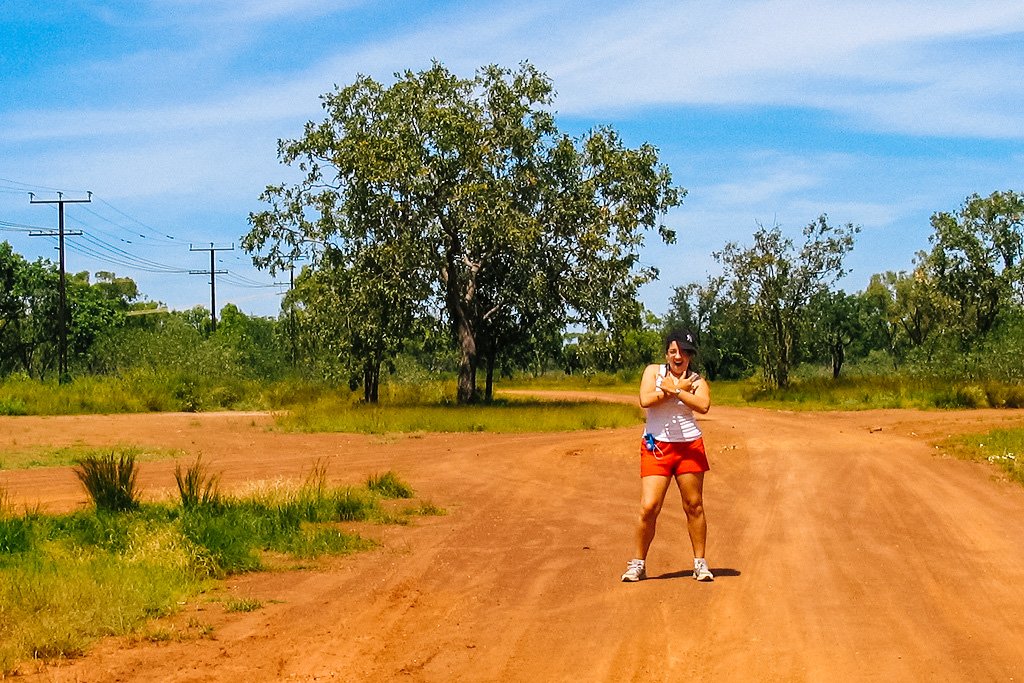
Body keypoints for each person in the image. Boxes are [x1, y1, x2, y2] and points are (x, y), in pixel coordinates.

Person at [621, 329, 713, 582]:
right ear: (666, 354)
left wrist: (678, 390)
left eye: (684, 352)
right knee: (649, 506)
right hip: (656, 446)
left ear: (691, 356)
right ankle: (638, 563)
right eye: (673, 351)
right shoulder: (653, 372)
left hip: (689, 446)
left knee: (694, 505)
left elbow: (703, 405)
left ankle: (700, 563)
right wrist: (673, 389)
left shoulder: (697, 381)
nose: (678, 356)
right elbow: (645, 399)